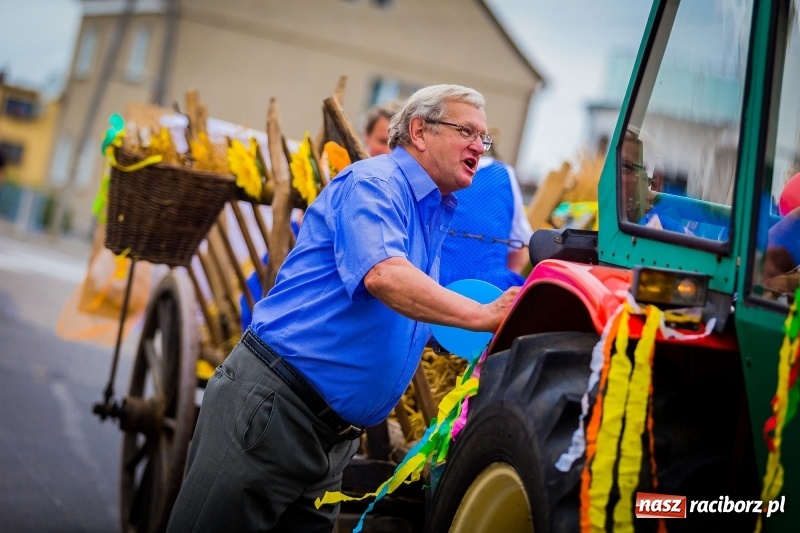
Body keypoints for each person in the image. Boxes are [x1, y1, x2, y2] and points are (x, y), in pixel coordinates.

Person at [167, 84, 520, 533]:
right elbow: (384, 276)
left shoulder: (431, 208)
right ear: (419, 131)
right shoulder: (375, 184)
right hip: (276, 411)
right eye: (466, 130)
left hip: (331, 442)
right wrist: (482, 314)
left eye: (483, 138)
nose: (478, 145)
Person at [438, 147, 533, 290]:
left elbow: (520, 247)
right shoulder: (429, 170)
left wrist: (496, 289)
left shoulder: (502, 175)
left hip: (487, 296)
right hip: (432, 292)